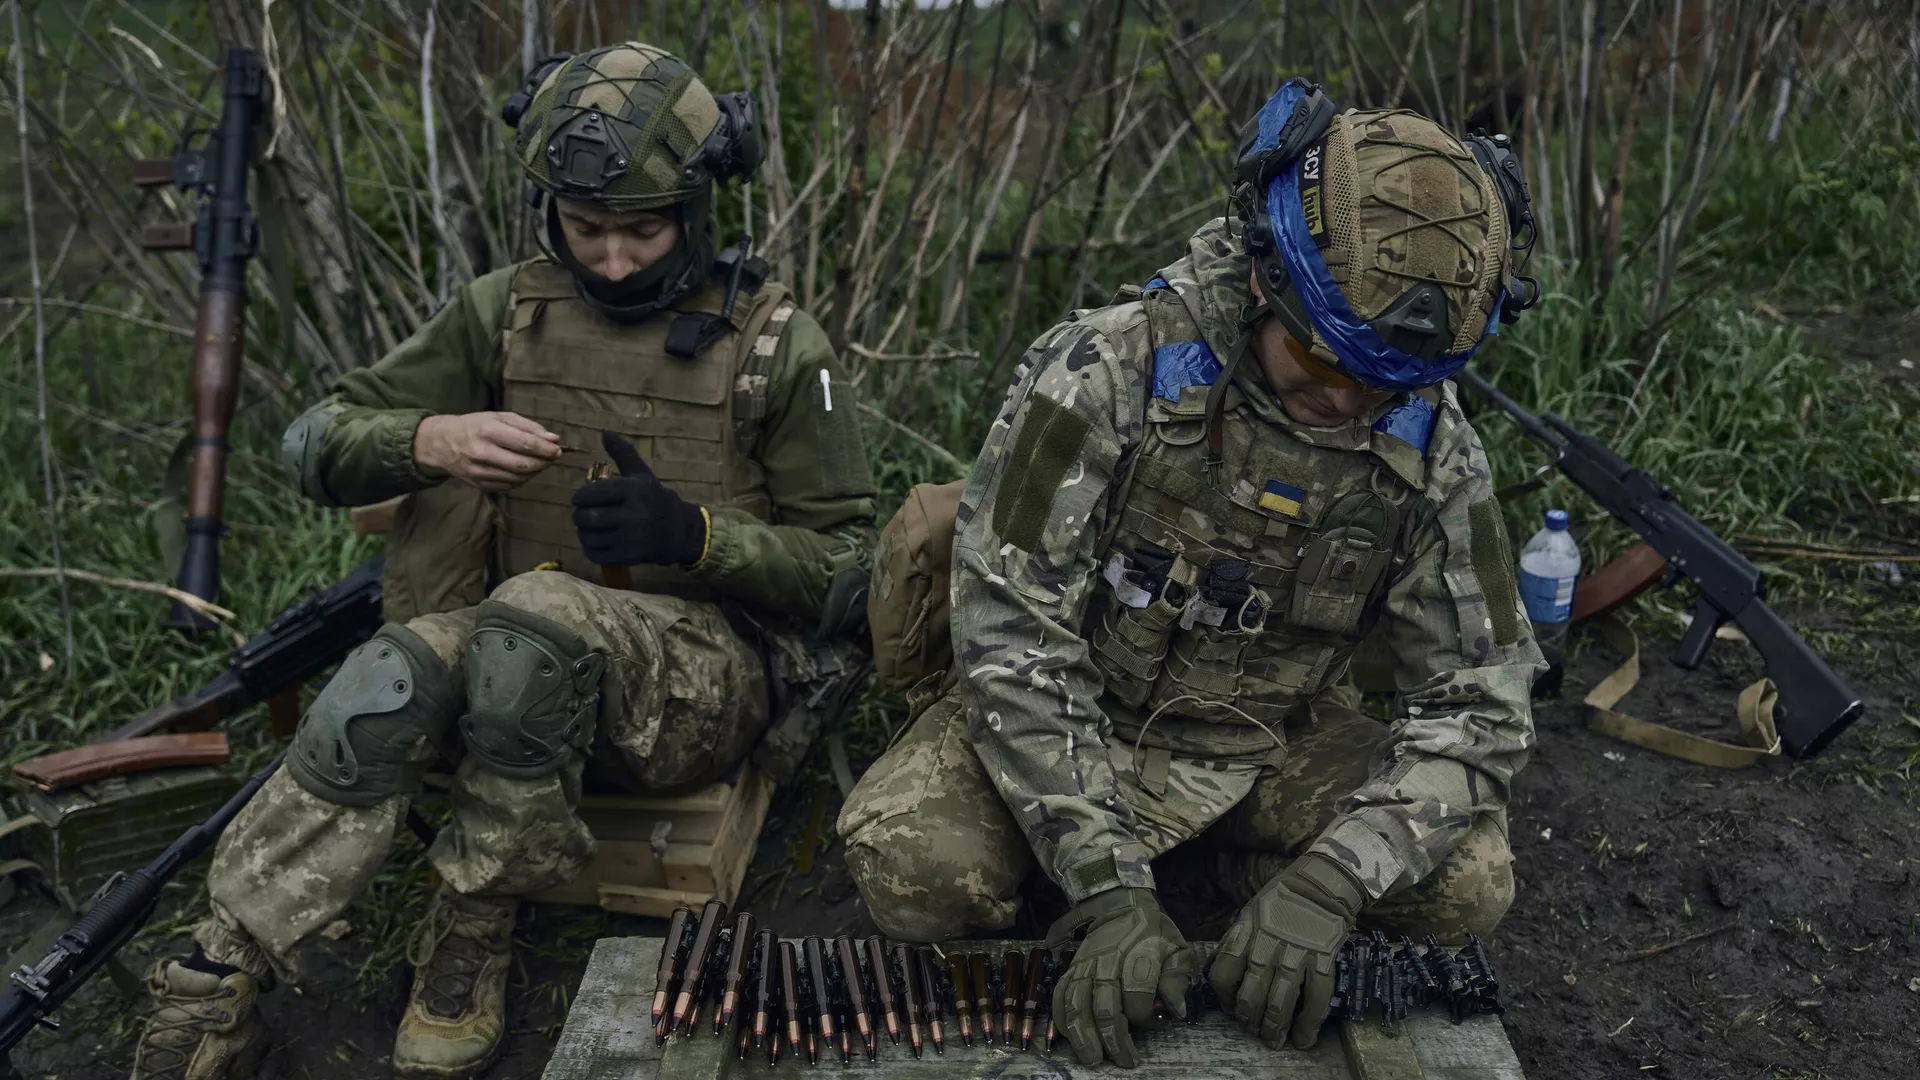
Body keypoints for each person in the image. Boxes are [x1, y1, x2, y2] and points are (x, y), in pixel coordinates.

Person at [132, 43, 874, 1080]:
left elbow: (852, 570)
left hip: (700, 691)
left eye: (644, 230)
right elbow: (313, 439)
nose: (612, 261)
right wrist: (427, 438)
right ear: (550, 215)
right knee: (389, 675)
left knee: (535, 615)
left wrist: (696, 537)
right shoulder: (505, 311)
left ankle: (473, 921)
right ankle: (220, 970)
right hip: (509, 673)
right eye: (586, 229)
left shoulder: (778, 347)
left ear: (700, 207)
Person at [839, 80, 1544, 1067]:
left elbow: (1482, 698)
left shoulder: (1434, 450)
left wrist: (1335, 881)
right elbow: (1010, 637)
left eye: (1384, 381)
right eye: (1320, 358)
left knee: (1471, 878)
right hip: (1077, 712)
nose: (1344, 402)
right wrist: (1106, 883)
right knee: (913, 869)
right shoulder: (1106, 370)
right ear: (1265, 279)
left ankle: (1243, 894)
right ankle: (1140, 893)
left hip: (1272, 739)